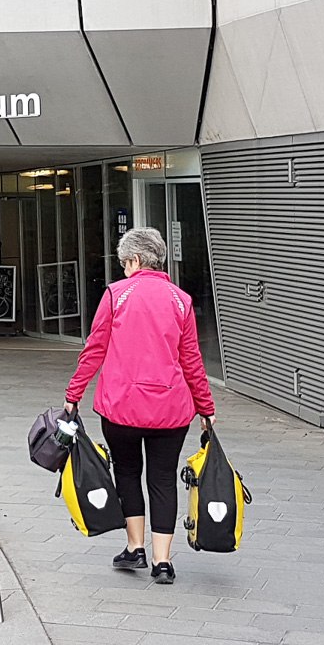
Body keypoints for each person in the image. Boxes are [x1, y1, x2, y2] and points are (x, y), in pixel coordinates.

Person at [64, 227, 214, 585]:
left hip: (121, 408)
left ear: (133, 260)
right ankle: (163, 561)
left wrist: (74, 394)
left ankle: (135, 547)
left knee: (128, 473)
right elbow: (191, 359)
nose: (124, 270)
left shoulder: (117, 294)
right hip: (171, 410)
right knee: (163, 480)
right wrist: (206, 408)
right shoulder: (181, 300)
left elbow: (95, 348)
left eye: (124, 263)